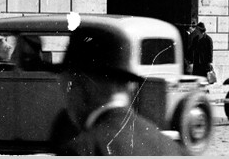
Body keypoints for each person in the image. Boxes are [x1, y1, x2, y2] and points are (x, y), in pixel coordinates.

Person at [52, 24, 182, 155]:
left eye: (68, 87)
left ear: (83, 85)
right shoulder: (171, 148)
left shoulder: (81, 150)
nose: (66, 99)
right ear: (129, 85)